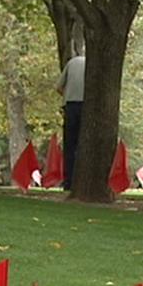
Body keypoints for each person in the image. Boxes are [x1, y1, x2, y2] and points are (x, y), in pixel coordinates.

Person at [55, 53, 85, 191]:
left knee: (70, 145)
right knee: (83, 145)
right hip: (86, 106)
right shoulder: (92, 66)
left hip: (71, 105)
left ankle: (69, 181)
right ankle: (83, 179)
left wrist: (67, 95)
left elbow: (58, 87)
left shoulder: (71, 63)